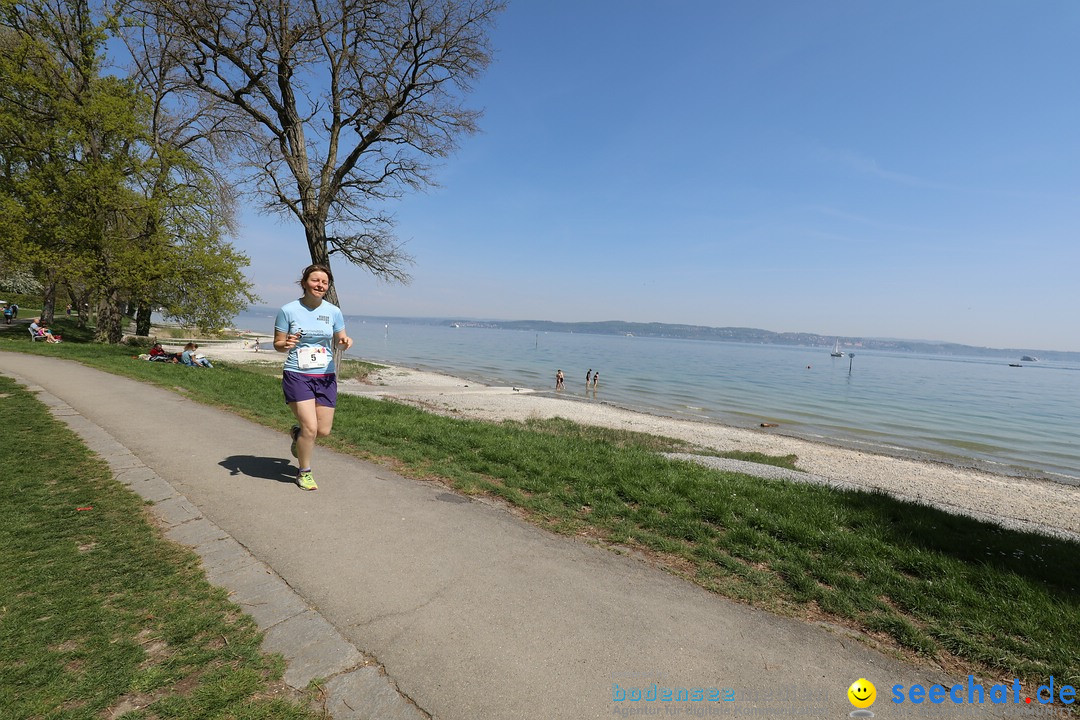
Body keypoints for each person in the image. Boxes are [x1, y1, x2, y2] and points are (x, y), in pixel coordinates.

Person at [273, 263, 353, 491]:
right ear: (304, 283)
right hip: (297, 374)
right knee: (311, 428)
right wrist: (285, 344)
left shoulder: (333, 311)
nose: (320, 285)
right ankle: (304, 472)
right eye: (315, 280)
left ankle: (297, 436)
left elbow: (340, 340)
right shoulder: (288, 310)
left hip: (326, 375)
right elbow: (278, 344)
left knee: (322, 431)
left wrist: (345, 342)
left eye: (324, 282)